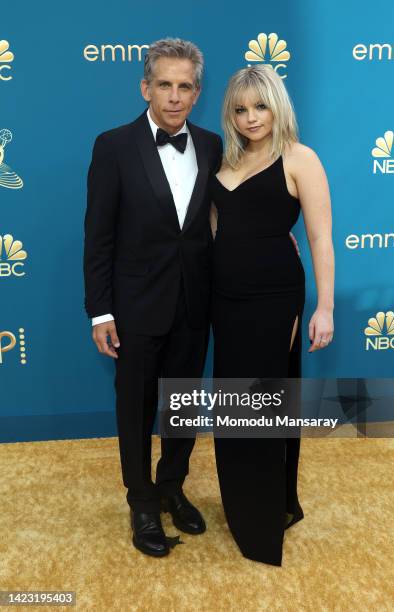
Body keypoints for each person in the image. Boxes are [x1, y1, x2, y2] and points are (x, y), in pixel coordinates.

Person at [83, 38, 223, 558]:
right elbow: (98, 237)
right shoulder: (113, 145)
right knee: (137, 408)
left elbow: (219, 219)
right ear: (145, 87)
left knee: (183, 406)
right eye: (163, 84)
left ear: (197, 92)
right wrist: (101, 310)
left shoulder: (210, 145)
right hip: (135, 307)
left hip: (195, 304)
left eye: (184, 86)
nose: (173, 96)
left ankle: (171, 487)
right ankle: (141, 502)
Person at [209, 64, 335, 566]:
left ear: (277, 105)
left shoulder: (300, 158)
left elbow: (321, 238)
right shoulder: (225, 161)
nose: (250, 117)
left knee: (262, 402)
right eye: (240, 109)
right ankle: (248, 504)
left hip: (274, 297)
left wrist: (324, 307)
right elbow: (219, 231)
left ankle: (264, 520)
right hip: (225, 299)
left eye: (260, 106)